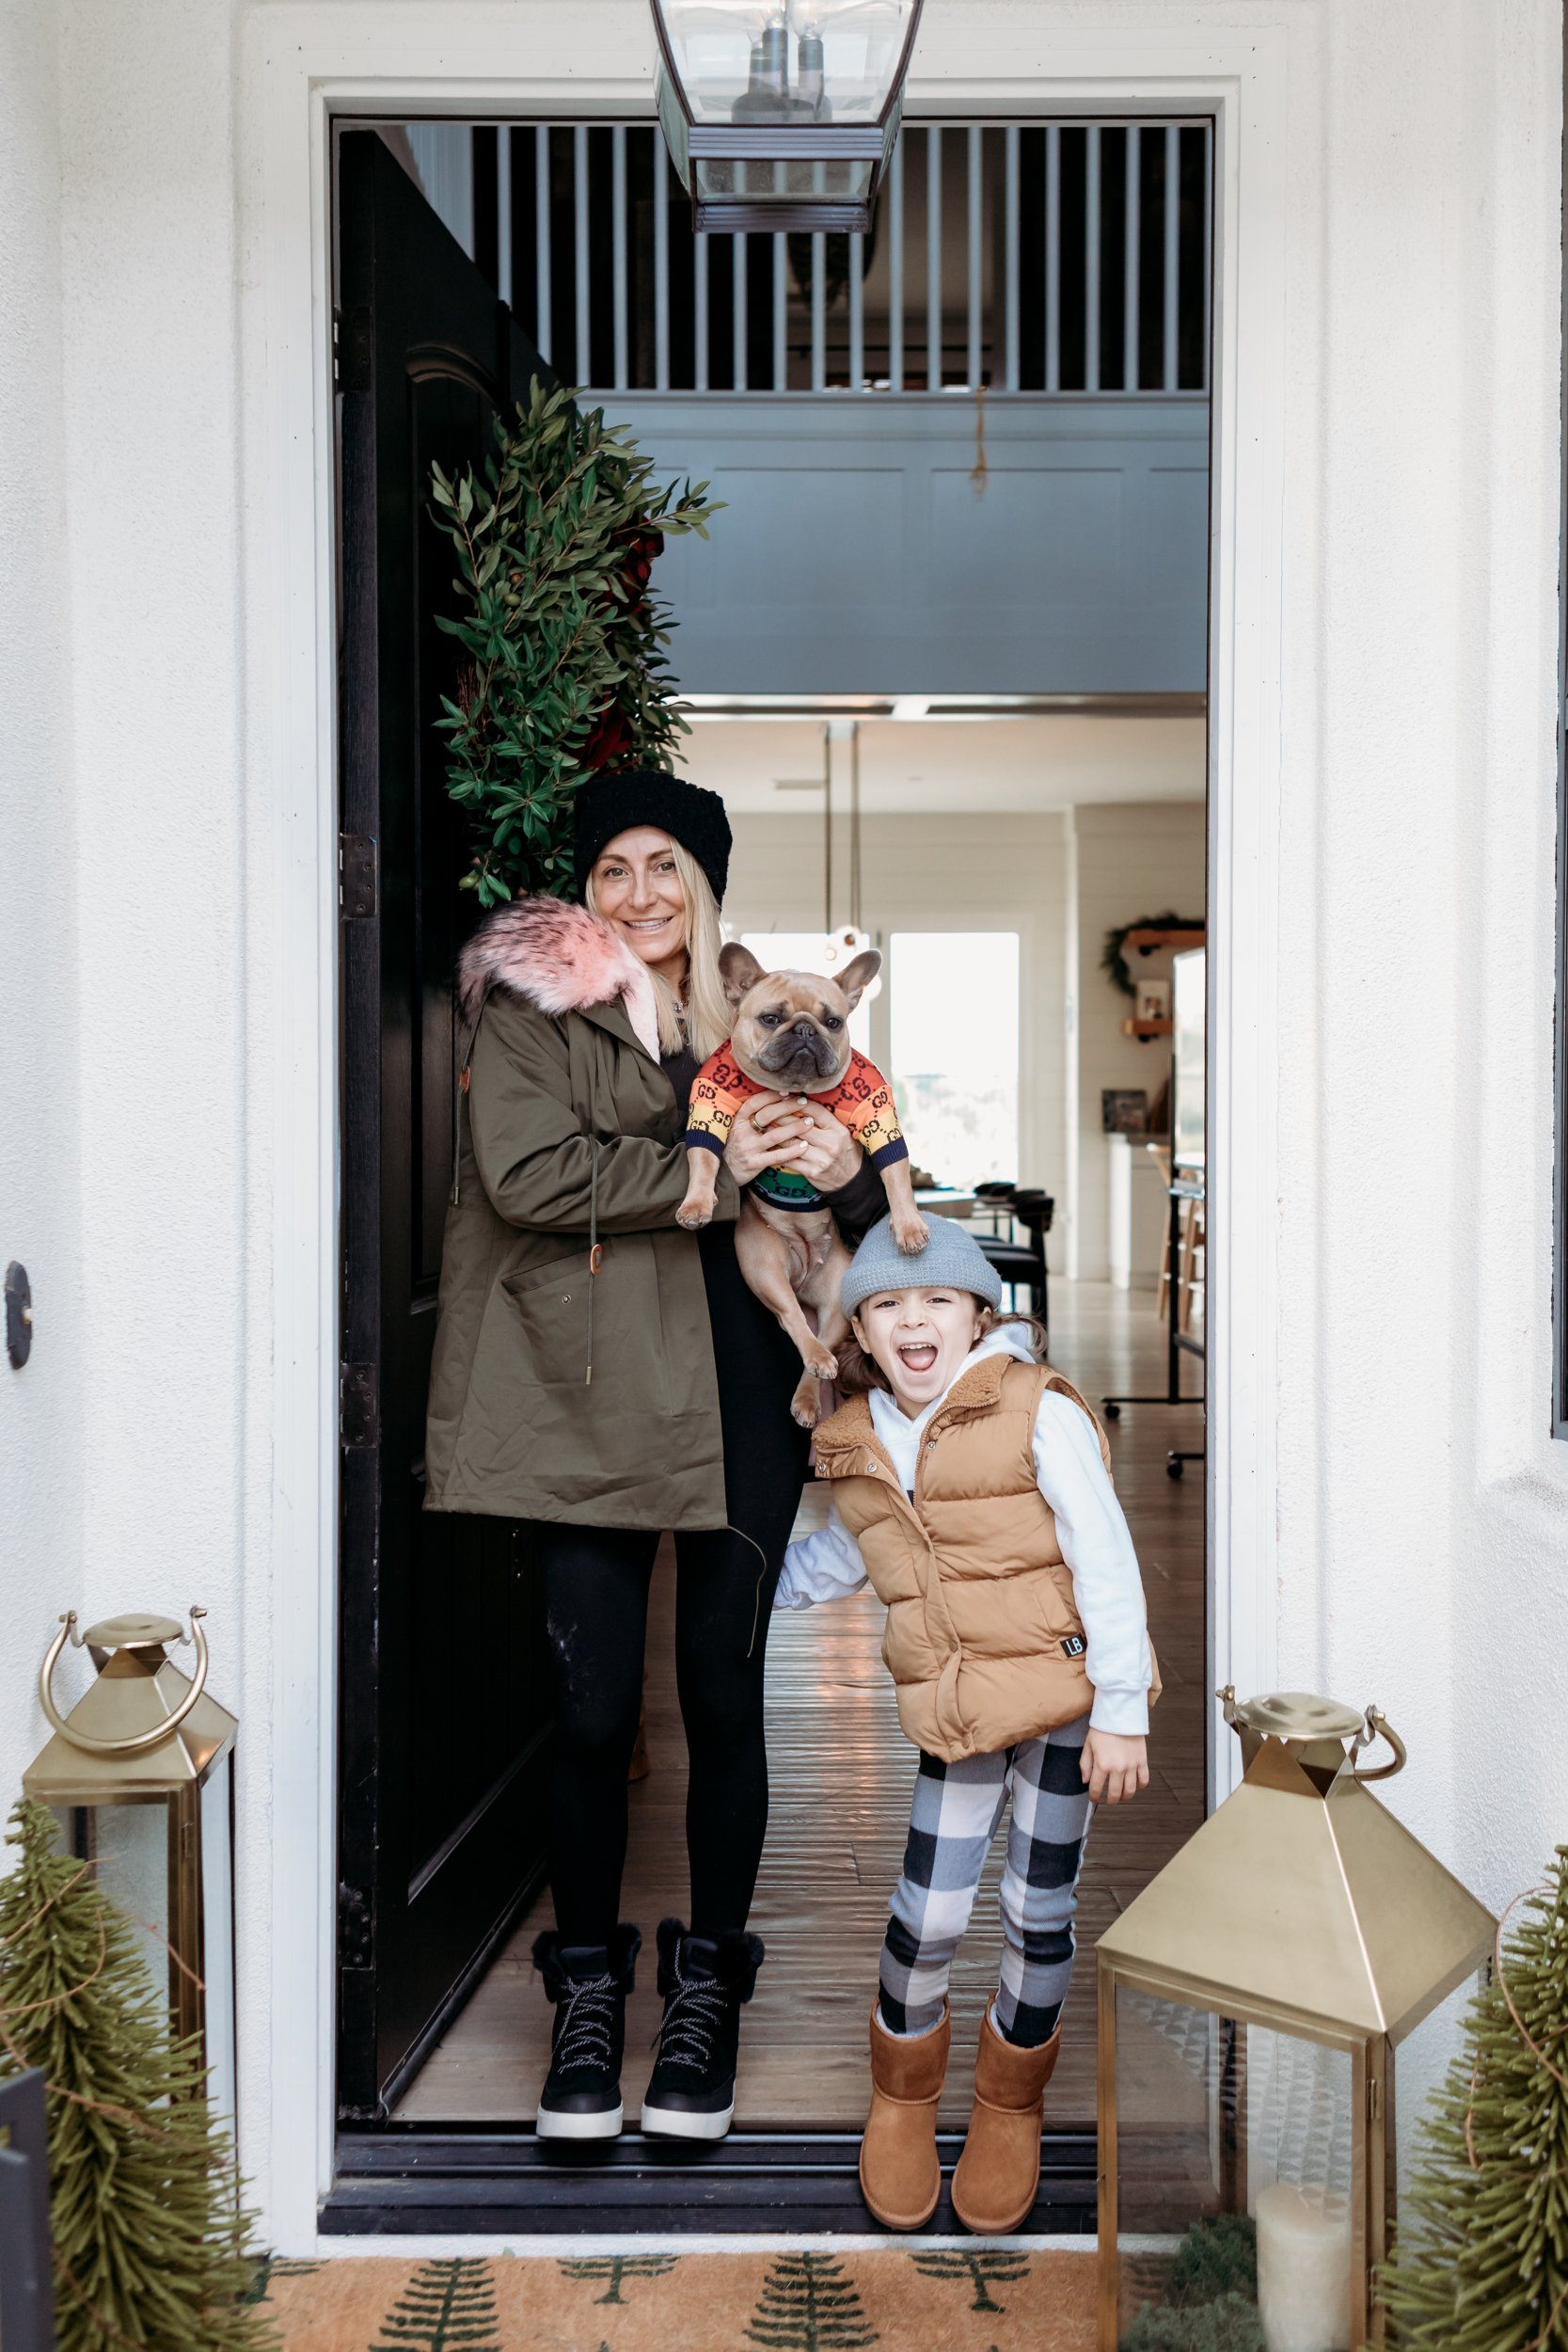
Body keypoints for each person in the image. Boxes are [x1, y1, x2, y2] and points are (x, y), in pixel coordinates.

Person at [423, 770, 888, 2145]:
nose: (639, 893)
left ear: (704, 888)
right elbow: (522, 1175)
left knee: (723, 1693)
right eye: (613, 867)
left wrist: (847, 1182)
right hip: (593, 1387)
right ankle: (583, 1999)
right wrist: (707, 1175)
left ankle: (705, 1999)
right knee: (590, 1708)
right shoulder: (539, 1009)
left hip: (745, 1384)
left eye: (665, 866)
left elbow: (855, 1170)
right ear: (585, 889)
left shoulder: (753, 1026)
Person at [775, 1214, 1156, 2233]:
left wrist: (1121, 1709)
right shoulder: (859, 1438)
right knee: (932, 1914)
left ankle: (1007, 2101)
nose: (914, 1321)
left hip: (1065, 1708)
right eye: (888, 1304)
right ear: (857, 1329)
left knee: (1037, 1914)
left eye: (936, 1300)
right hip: (958, 1708)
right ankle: (902, 2096)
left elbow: (1104, 1556)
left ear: (979, 1313)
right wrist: (737, 1591)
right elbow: (851, 1559)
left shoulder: (1034, 1407)